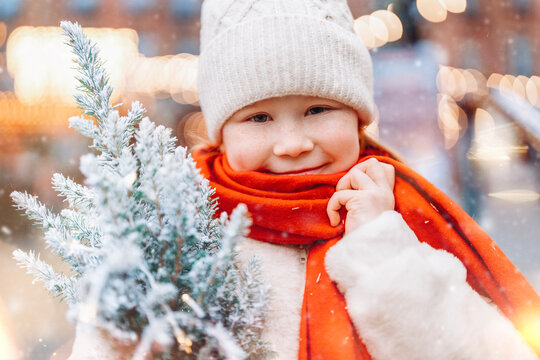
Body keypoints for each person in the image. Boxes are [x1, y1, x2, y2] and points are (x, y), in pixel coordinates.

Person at [191, 0, 540, 359]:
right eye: (259, 118)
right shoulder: (187, 230)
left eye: (318, 110)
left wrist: (381, 247)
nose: (293, 144)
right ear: (222, 135)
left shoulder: (403, 214)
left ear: (358, 121)